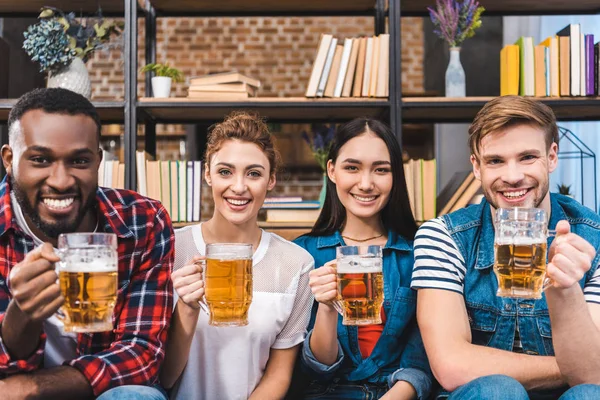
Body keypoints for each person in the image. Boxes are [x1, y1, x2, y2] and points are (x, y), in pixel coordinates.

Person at [411, 95, 600, 399]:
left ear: (552, 157)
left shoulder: (595, 240)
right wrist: (567, 366)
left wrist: (565, 291)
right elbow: (451, 366)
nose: (512, 177)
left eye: (527, 157)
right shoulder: (442, 236)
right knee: (498, 390)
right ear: (476, 166)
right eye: (495, 161)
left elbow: (593, 377)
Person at [0, 88, 173, 400]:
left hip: (102, 392)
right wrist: (21, 315)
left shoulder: (142, 220)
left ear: (98, 161)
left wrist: (32, 387)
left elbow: (141, 351)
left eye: (79, 160)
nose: (61, 180)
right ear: (10, 160)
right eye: (40, 159)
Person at [159, 112, 314, 399]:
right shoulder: (171, 249)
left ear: (271, 181)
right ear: (207, 174)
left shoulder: (296, 264)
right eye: (225, 172)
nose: (239, 187)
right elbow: (165, 378)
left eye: (254, 173)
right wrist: (187, 309)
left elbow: (279, 375)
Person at [293, 118, 433, 400]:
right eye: (352, 168)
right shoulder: (303, 254)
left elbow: (422, 363)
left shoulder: (420, 252)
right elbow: (316, 368)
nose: (366, 183)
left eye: (381, 170)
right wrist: (327, 308)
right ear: (332, 170)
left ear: (395, 176)